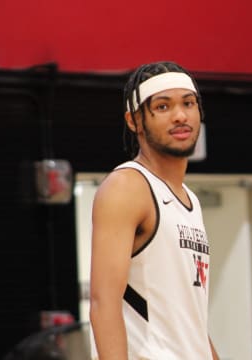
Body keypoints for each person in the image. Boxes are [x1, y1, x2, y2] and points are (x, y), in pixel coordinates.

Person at [89, 61, 219, 360]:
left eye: (188, 103)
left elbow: (190, 319)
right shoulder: (127, 187)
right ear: (134, 121)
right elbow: (102, 303)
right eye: (163, 107)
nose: (180, 115)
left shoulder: (190, 200)